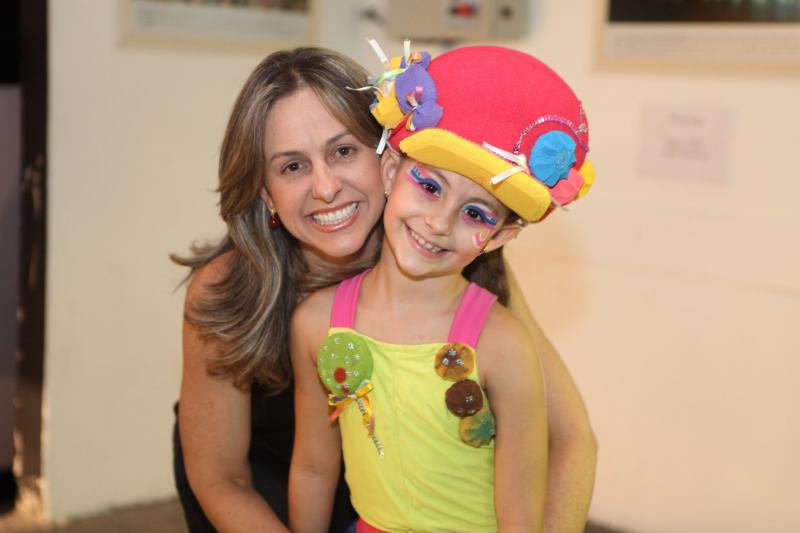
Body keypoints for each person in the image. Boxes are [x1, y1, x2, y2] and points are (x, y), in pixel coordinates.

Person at [173, 46, 596, 533]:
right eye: (292, 166)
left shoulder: (450, 257)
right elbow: (220, 478)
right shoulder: (226, 288)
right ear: (266, 192)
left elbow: (572, 439)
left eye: (343, 151)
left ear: (387, 156)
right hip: (255, 495)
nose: (325, 187)